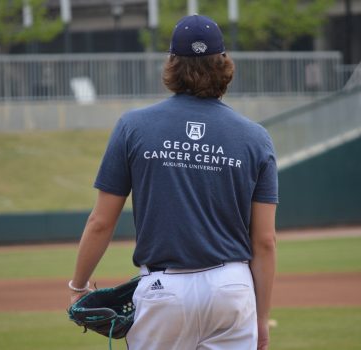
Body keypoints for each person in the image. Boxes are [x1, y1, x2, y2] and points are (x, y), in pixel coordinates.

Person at [69, 14, 278, 350]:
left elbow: (100, 222)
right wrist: (261, 318)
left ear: (171, 65)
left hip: (163, 290)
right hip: (232, 288)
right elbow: (265, 241)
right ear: (223, 64)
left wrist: (79, 285)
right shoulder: (256, 138)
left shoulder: (133, 127)